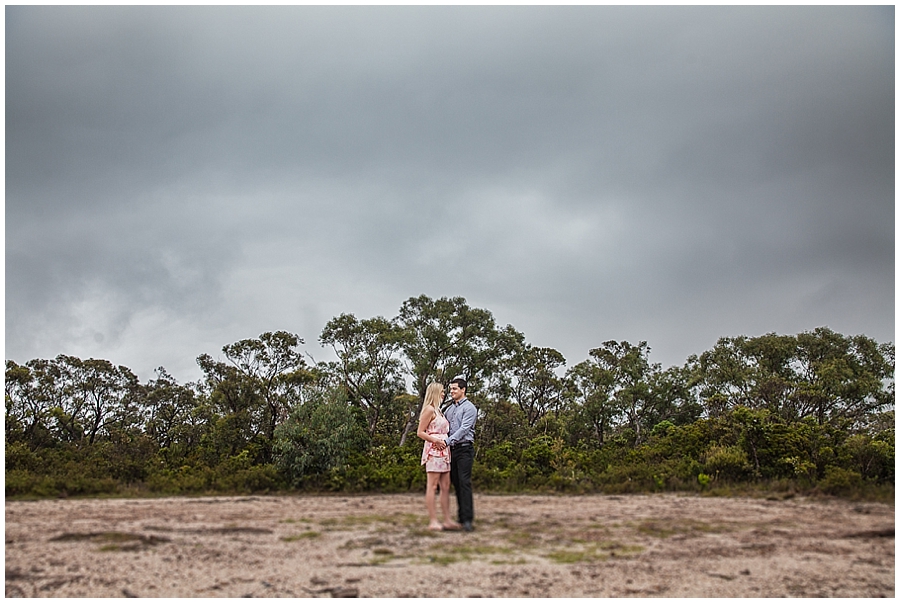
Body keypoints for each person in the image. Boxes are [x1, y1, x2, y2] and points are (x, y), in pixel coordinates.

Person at [441, 375, 477, 532]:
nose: (452, 392)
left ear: (463, 389)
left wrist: (447, 442)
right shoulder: (449, 409)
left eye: (455, 389)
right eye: (450, 389)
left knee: (464, 482)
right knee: (455, 483)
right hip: (451, 451)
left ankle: (467, 519)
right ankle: (461, 517)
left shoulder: (470, 408)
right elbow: (445, 427)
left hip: (464, 449)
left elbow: (464, 429)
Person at [416, 381, 453, 531]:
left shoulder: (439, 411)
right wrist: (435, 440)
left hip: (444, 452)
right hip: (434, 452)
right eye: (442, 391)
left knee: (445, 486)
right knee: (432, 485)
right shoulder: (429, 410)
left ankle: (447, 519)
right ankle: (433, 521)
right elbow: (420, 432)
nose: (444, 394)